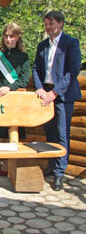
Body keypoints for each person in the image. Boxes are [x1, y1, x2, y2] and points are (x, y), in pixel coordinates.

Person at [32, 11, 82, 191]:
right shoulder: (42, 45)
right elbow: (36, 68)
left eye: (51, 23)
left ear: (60, 24)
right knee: (50, 133)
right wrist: (39, 87)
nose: (47, 27)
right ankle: (52, 166)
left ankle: (60, 173)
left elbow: (73, 71)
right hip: (45, 95)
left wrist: (55, 92)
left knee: (62, 134)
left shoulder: (71, 43)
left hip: (63, 96)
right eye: (46, 24)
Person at [0, 23, 30, 176]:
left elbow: (24, 79)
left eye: (12, 36)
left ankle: (9, 165)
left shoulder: (23, 57)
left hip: (13, 98)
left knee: (10, 132)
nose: (8, 39)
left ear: (18, 37)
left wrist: (8, 88)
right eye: (6, 36)